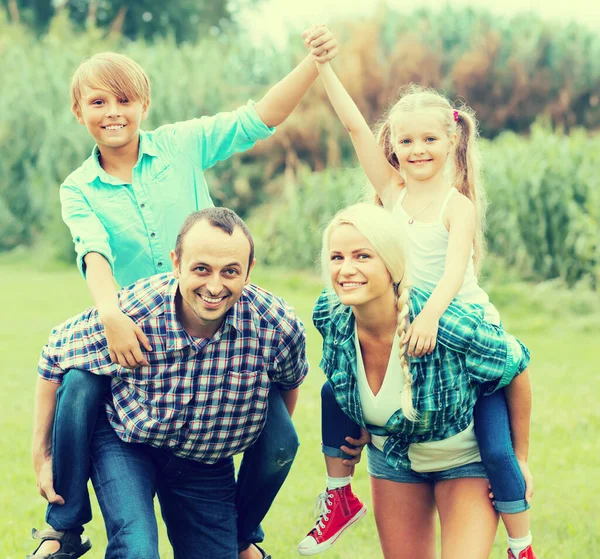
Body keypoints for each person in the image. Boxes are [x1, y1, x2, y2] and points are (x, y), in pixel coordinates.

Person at [30, 29, 337, 559]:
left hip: (210, 316)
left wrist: (311, 64)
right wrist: (110, 314)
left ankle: (243, 535)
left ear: (143, 104)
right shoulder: (78, 187)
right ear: (78, 112)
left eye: (124, 100)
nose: (113, 112)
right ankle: (64, 527)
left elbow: (258, 118)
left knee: (276, 425)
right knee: (78, 382)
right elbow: (93, 252)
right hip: (135, 334)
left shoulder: (180, 143)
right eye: (98, 102)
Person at [298, 26, 536, 559]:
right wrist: (324, 69)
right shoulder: (392, 193)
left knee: (493, 439)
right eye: (405, 141)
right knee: (335, 382)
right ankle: (339, 492)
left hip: (459, 320)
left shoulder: (457, 205)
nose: (416, 149)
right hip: (408, 311)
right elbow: (356, 128)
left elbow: (455, 270)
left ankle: (521, 536)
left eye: (428, 139)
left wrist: (430, 316)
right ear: (394, 147)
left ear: (451, 141)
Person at [30, 208, 308, 559]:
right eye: (201, 269)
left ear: (249, 270)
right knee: (138, 550)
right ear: (176, 264)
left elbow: (288, 385)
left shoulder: (276, 326)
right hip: (128, 442)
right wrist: (42, 454)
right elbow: (54, 356)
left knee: (283, 441)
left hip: (205, 460)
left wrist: (248, 435)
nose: (215, 286)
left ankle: (239, 538)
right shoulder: (137, 309)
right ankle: (63, 528)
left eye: (231, 271)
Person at [300, 203, 531, 558]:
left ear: (391, 265)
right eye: (336, 257)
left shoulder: (445, 324)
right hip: (394, 462)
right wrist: (364, 420)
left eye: (362, 256)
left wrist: (520, 459)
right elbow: (340, 382)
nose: (346, 270)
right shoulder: (330, 315)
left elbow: (517, 365)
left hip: (463, 461)